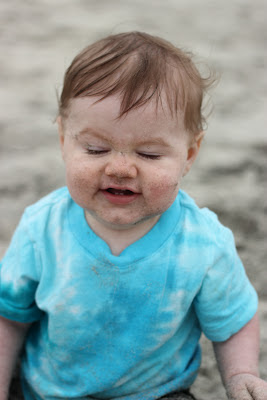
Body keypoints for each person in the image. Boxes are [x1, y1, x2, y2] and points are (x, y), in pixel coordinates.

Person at [0, 31, 266, 400]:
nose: (121, 168)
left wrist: (241, 375)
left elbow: (233, 320)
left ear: (189, 154)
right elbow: (9, 316)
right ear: (64, 140)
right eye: (95, 149)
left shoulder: (202, 242)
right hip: (46, 392)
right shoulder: (42, 228)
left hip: (157, 393)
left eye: (149, 154)